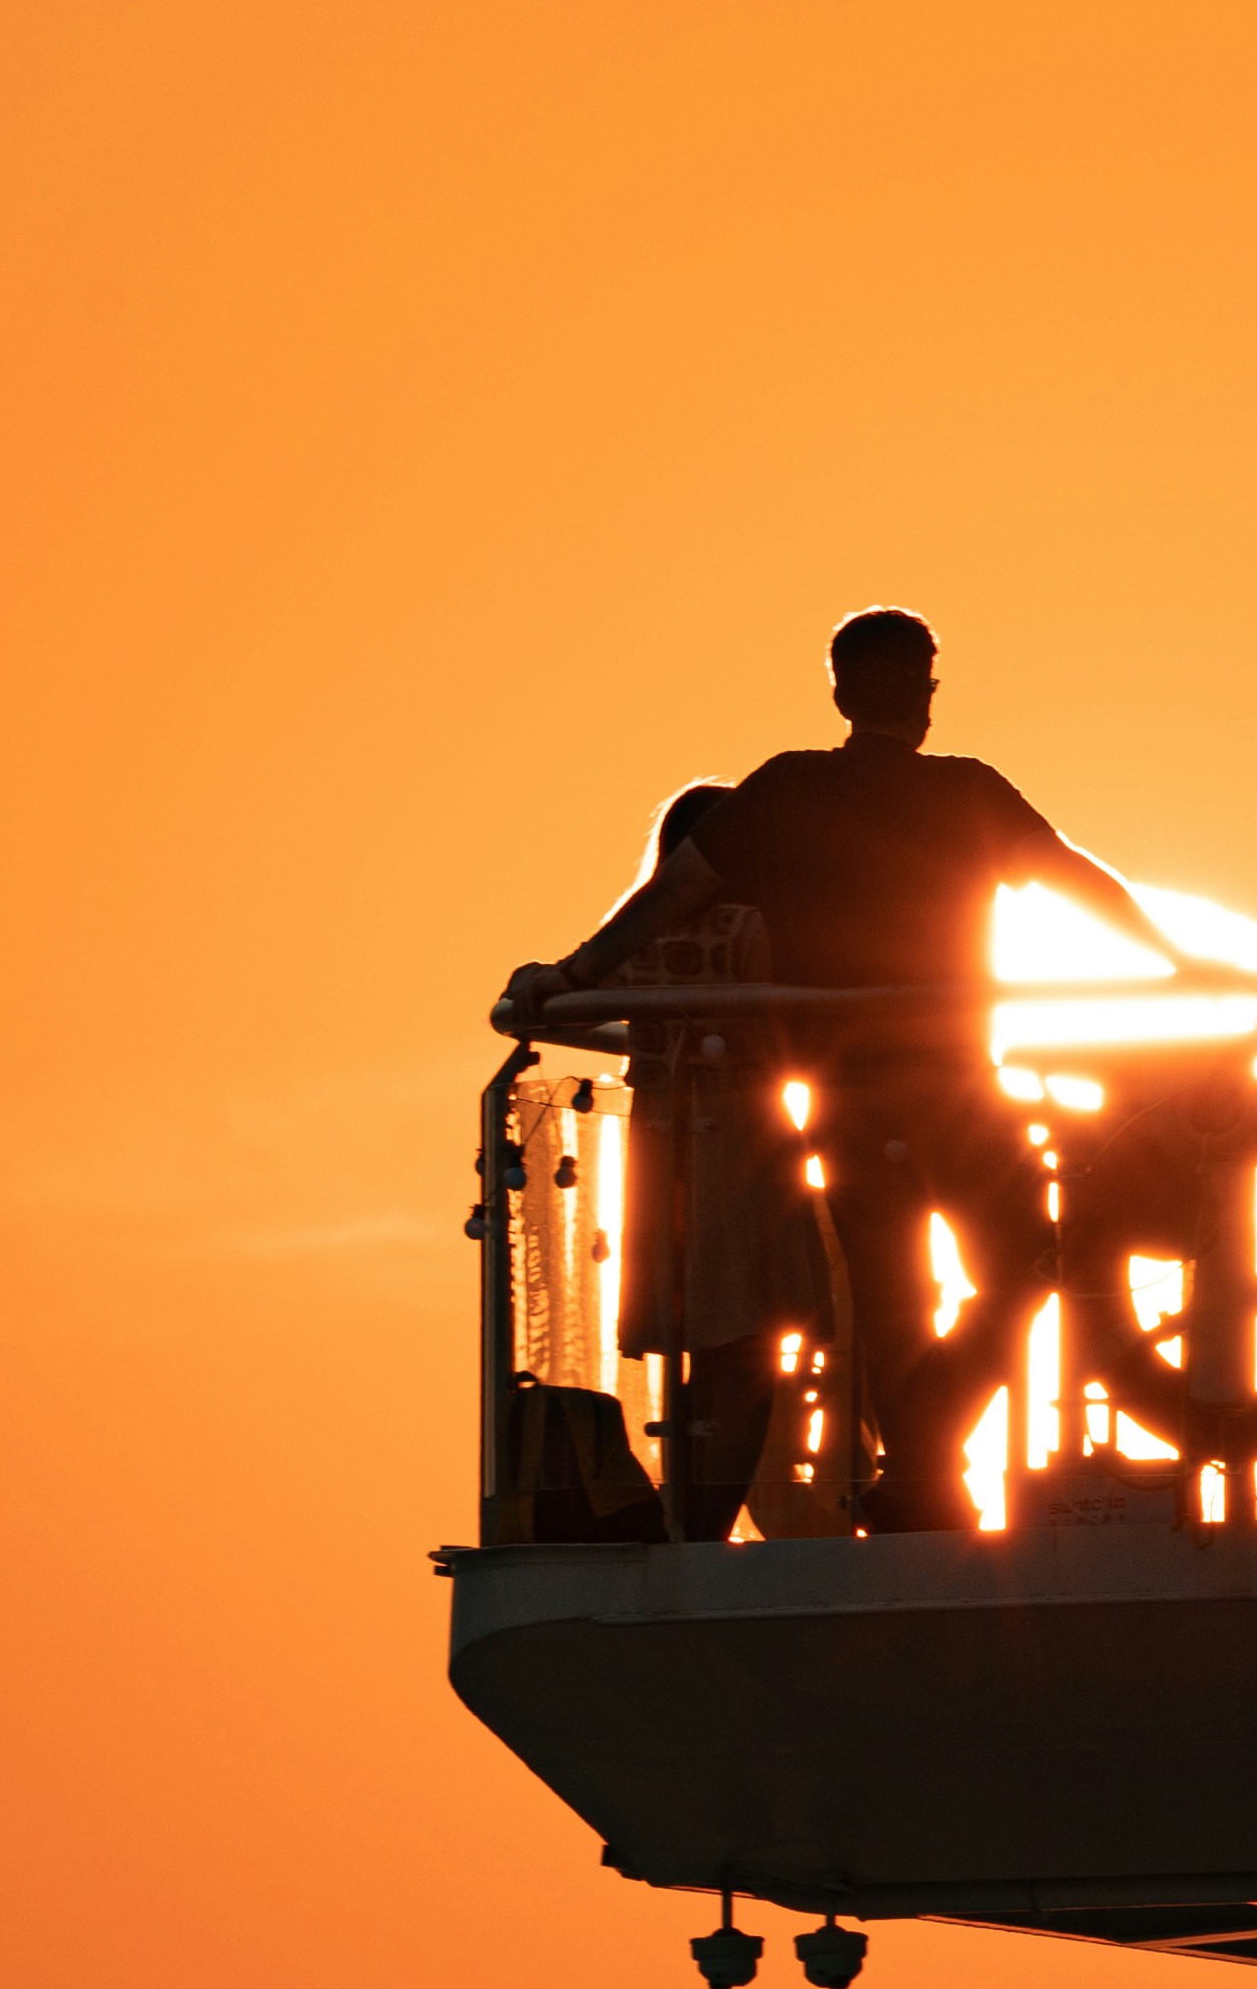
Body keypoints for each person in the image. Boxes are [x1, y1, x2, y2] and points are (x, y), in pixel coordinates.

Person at [499, 610, 1178, 1531]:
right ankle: (926, 1466)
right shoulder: (963, 793)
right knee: (1022, 1263)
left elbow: (669, 896)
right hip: (951, 1088)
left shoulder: (787, 791)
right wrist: (1175, 962)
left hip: (848, 1097)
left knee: (902, 1294)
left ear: (839, 692)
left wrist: (570, 976)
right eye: (922, 679)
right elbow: (1076, 882)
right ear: (921, 691)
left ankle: (922, 1467)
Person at [588, 781, 823, 1539]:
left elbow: (577, 994)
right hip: (746, 1150)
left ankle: (683, 1517)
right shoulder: (760, 930)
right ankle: (701, 1527)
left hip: (659, 1156)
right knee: (751, 1356)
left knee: (697, 1356)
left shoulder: (640, 942)